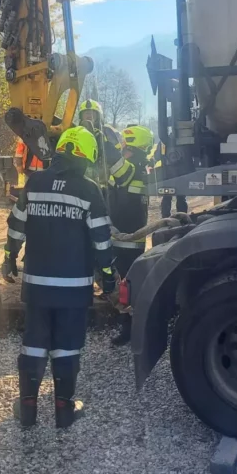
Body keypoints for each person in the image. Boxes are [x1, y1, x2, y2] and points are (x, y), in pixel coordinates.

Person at [2, 126, 116, 428]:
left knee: (34, 344)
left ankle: (27, 409)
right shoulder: (89, 189)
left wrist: (9, 257)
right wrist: (108, 277)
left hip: (37, 285)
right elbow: (102, 240)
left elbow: (16, 224)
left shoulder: (35, 182)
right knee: (67, 345)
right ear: (85, 157)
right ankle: (64, 410)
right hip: (73, 289)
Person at [109, 125, 153, 346]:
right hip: (123, 234)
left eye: (126, 148)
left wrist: (106, 142)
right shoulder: (138, 165)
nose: (123, 151)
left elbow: (117, 168)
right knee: (124, 284)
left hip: (127, 237)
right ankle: (130, 328)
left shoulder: (134, 166)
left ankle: (131, 330)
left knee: (127, 286)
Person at [76, 99, 134, 189]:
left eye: (92, 113)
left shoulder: (108, 131)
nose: (89, 115)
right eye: (86, 112)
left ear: (98, 116)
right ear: (81, 116)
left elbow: (118, 154)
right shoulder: (75, 132)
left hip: (103, 184)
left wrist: (104, 145)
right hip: (79, 181)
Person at [149, 141, 187, 218]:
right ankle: (182, 217)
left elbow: (157, 156)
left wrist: (151, 163)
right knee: (181, 197)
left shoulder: (163, 142)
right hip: (182, 174)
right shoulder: (184, 141)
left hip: (168, 174)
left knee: (167, 196)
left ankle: (165, 217)